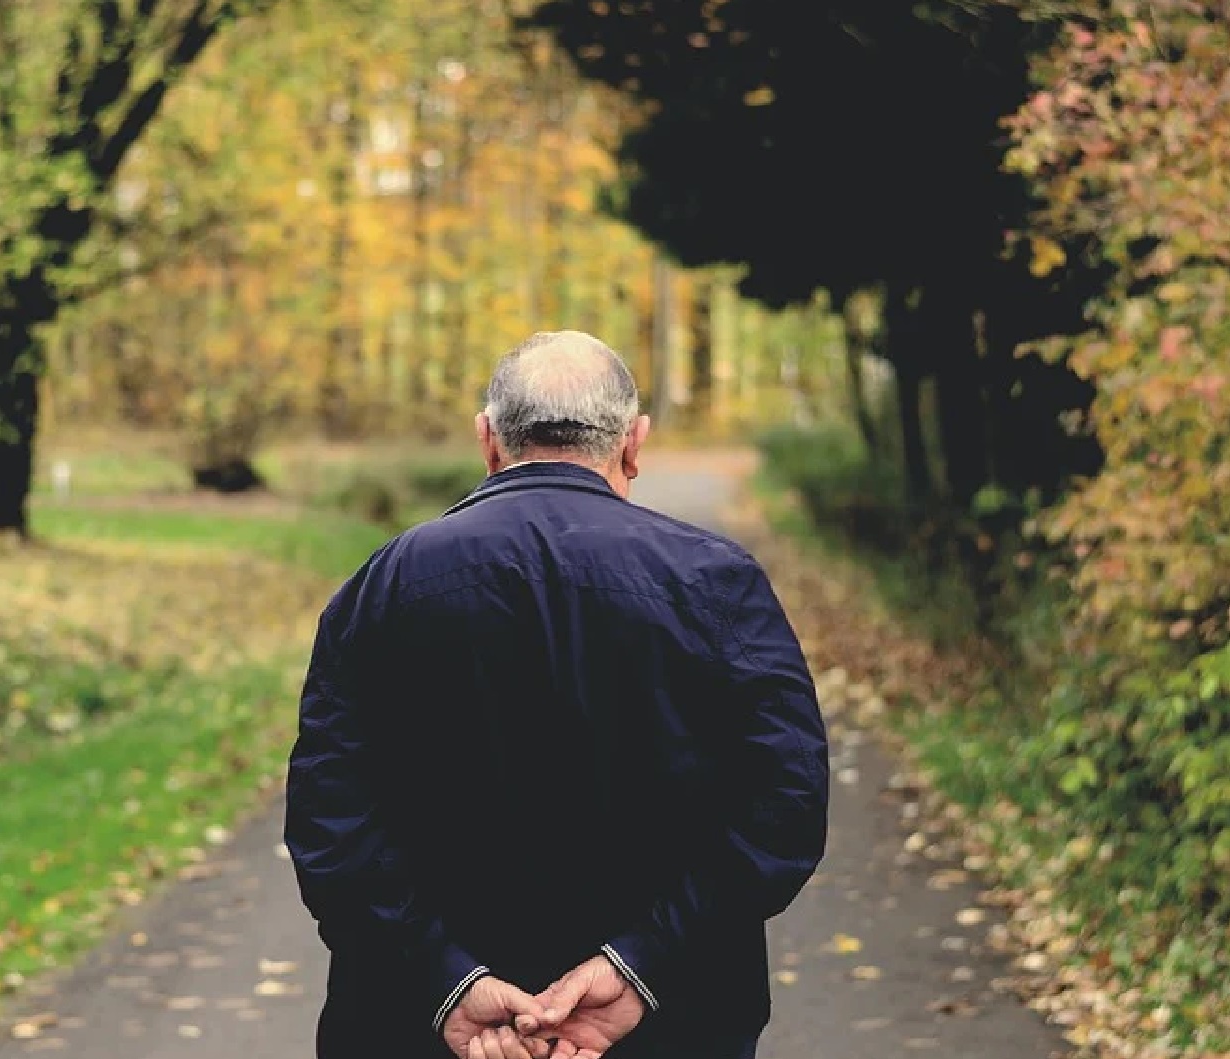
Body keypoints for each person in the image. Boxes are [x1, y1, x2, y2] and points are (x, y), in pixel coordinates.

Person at [285, 331, 829, 1059]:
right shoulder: (716, 583)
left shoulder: (385, 584)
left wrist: (446, 978)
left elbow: (328, 818)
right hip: (670, 1025)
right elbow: (785, 805)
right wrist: (640, 963)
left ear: (488, 441)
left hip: (415, 1027)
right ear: (634, 445)